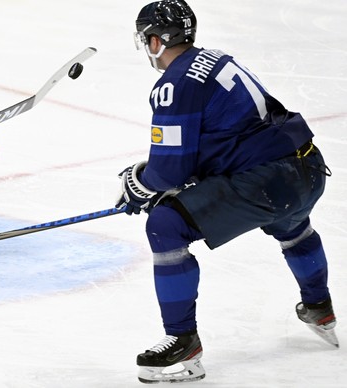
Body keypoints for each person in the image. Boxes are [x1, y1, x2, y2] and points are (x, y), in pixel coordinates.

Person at [115, 0, 338, 383]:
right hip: (306, 167)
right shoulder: (215, 58)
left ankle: (183, 343)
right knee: (291, 223)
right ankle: (319, 305)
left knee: (166, 225)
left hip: (267, 182)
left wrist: (139, 185)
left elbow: (170, 172)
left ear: (155, 42)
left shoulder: (173, 85)